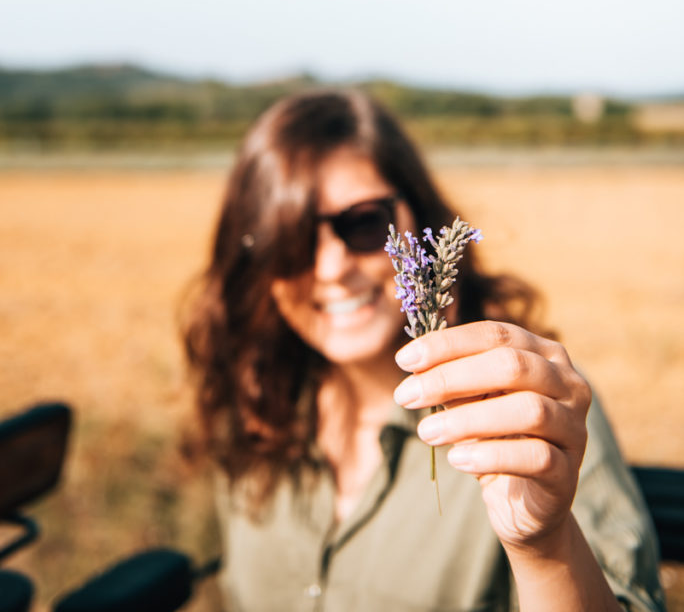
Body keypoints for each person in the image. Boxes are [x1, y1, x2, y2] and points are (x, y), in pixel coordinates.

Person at [182, 89, 665, 612]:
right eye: (292, 240)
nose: (331, 268)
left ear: (420, 220)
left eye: (364, 224)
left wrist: (546, 548)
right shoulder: (258, 405)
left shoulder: (532, 410)